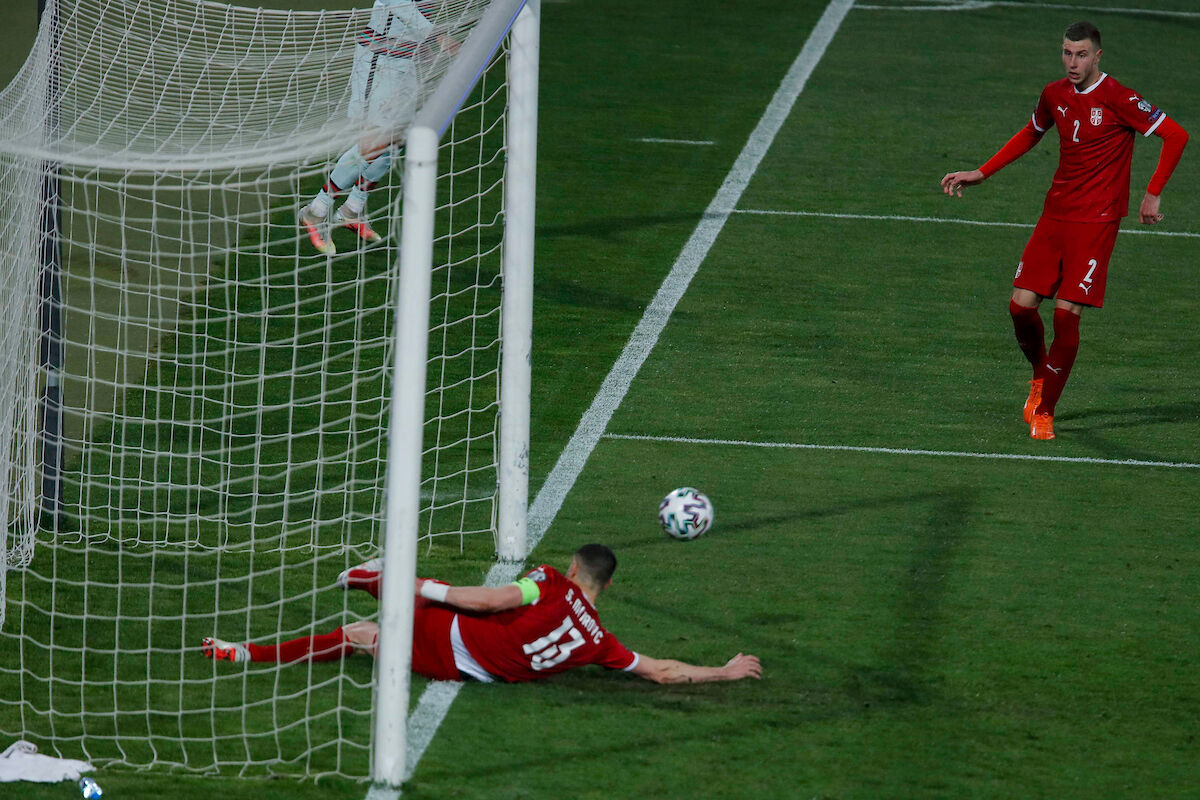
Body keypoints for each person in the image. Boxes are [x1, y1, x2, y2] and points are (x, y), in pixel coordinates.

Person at [940, 21, 1188, 440]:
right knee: (1020, 307)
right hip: (1055, 215)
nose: (1073, 62)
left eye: (1081, 54)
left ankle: (1046, 411)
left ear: (1097, 56)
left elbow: (1175, 135)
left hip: (1097, 222)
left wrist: (1153, 193)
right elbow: (1031, 133)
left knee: (1065, 314)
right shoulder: (1054, 94)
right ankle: (1041, 374)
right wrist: (982, 172)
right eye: (1067, 53)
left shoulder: (1119, 97)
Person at [201, 544, 764, 685]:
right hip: (470, 668)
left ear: (574, 567)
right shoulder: (601, 642)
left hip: (456, 638)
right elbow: (662, 671)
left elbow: (490, 601)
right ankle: (375, 581)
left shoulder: (549, 581)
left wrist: (425, 584)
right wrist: (724, 671)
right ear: (608, 586)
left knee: (363, 630)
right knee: (370, 631)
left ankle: (372, 579)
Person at [298, 0, 461, 255]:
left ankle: (352, 210)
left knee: (396, 140)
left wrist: (423, 45)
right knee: (374, 143)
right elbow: (399, 4)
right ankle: (316, 211)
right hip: (381, 60)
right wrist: (437, 37)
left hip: (407, 59)